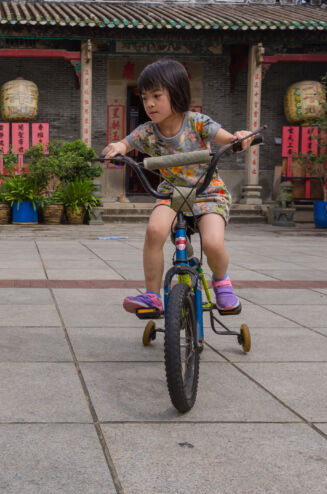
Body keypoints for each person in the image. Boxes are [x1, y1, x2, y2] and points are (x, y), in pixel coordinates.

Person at [101, 59, 249, 316]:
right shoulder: (147, 132)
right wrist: (117, 148)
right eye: (145, 97)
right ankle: (152, 295)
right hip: (173, 193)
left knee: (213, 243)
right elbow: (126, 143)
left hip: (208, 192)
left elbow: (227, 138)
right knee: (154, 230)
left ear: (177, 93)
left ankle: (222, 282)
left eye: (157, 96)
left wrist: (240, 139)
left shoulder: (197, 123)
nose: (149, 104)